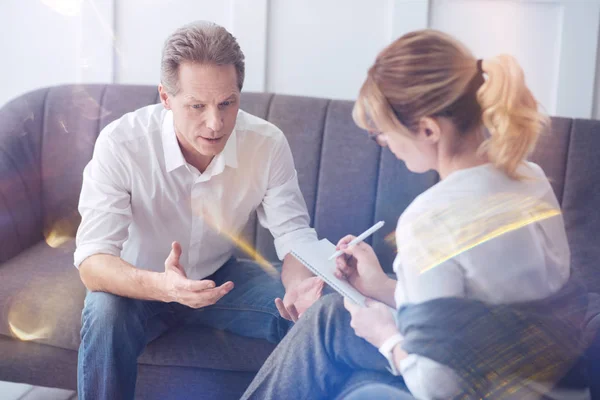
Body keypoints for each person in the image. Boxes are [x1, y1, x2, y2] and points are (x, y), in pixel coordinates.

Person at [241, 29, 589, 399]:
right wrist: (378, 287)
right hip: (547, 379)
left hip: (492, 388)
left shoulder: (430, 220)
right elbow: (492, 317)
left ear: (427, 129)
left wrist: (385, 337)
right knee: (331, 318)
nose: (385, 143)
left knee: (336, 337)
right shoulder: (529, 177)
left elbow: (439, 388)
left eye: (383, 132)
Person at [74, 21, 323, 400]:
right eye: (196, 106)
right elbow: (93, 261)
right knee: (104, 311)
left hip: (220, 280)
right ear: (165, 97)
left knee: (317, 314)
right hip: (138, 284)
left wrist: (300, 288)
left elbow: (293, 235)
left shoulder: (267, 144)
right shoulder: (121, 144)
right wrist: (163, 286)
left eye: (228, 103)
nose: (215, 123)